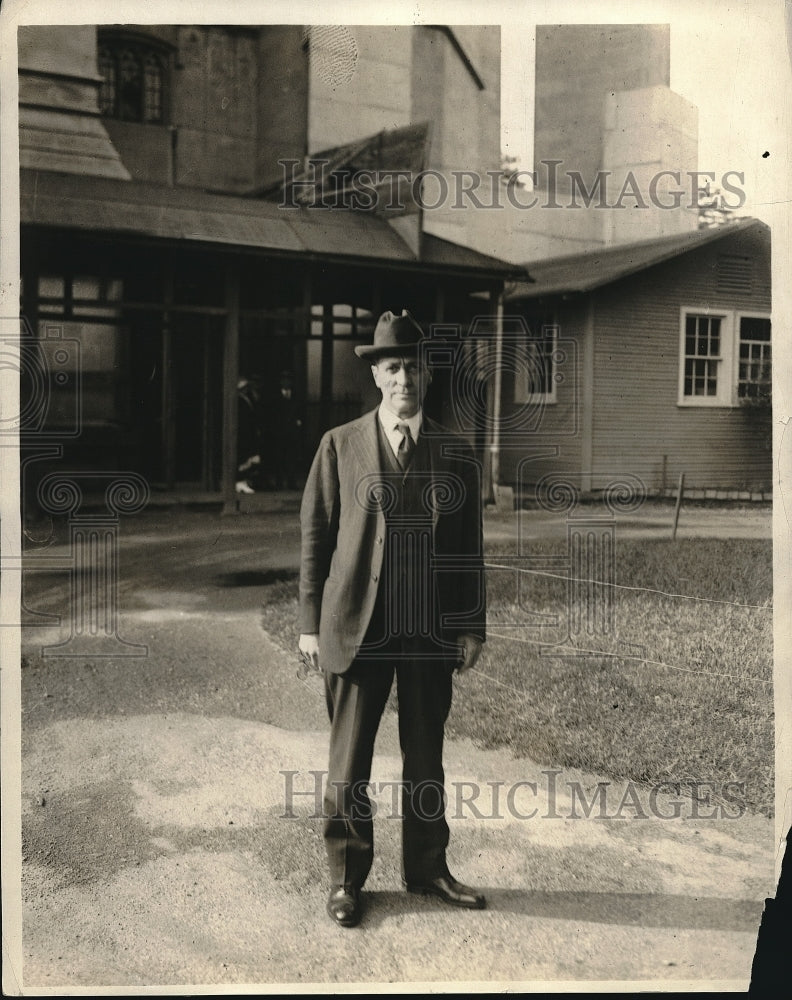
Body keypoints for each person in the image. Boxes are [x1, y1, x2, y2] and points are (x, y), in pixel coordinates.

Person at [298, 309, 486, 928]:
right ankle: (347, 879)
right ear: (376, 376)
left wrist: (469, 625)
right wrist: (307, 623)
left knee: (425, 753)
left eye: (413, 365)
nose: (404, 377)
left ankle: (428, 867)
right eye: (392, 366)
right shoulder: (340, 445)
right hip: (358, 625)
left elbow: (467, 548)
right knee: (348, 759)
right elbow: (315, 538)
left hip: (428, 629)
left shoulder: (455, 454)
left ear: (427, 375)